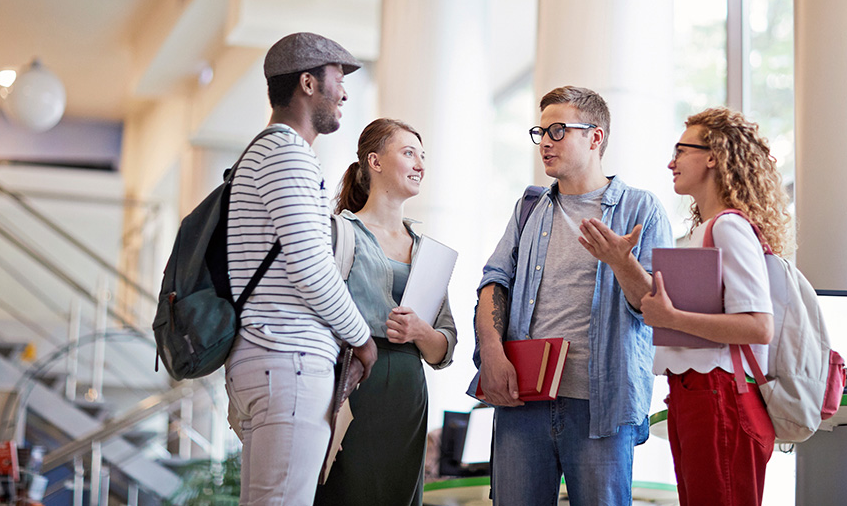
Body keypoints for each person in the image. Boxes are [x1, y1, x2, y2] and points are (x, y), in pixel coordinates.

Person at [469, 86, 673, 506]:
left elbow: (655, 309)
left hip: (601, 407)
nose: (545, 142)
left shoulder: (641, 209)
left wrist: (621, 261)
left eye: (558, 130)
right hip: (523, 398)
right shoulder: (529, 207)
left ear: (595, 137)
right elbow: (494, 280)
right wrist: (491, 352)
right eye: (540, 132)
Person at [224, 32, 378, 506]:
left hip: (264, 357)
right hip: (287, 360)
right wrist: (361, 338)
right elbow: (311, 269)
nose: (345, 93)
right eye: (338, 80)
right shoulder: (287, 153)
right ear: (308, 83)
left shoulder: (261, 154)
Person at [640, 107, 790, 505]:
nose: (671, 162)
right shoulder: (705, 230)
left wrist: (671, 318)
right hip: (697, 393)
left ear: (713, 156)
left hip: (719, 394)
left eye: (681, 150)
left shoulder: (728, 226)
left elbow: (759, 326)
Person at [315, 118, 457, 506]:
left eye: (423, 156)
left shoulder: (428, 250)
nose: (420, 165)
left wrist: (419, 332)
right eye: (409, 153)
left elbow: (445, 347)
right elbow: (313, 318)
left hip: (409, 396)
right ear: (374, 162)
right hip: (352, 386)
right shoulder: (337, 233)